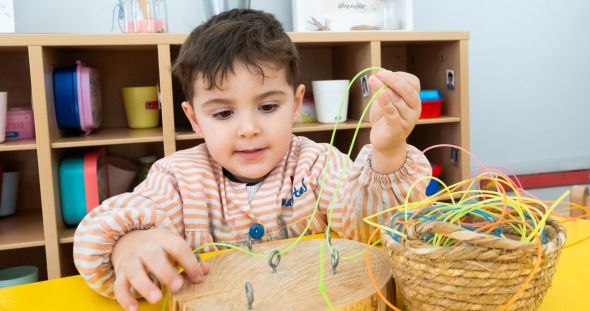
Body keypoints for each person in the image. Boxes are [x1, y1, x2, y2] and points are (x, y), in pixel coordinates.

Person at [73, 9, 430, 311]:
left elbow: (372, 229)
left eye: (268, 107)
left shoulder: (317, 163)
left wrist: (387, 151)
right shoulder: (178, 179)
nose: (248, 129)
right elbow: (98, 234)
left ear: (295, 104)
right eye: (223, 113)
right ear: (194, 118)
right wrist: (127, 245)